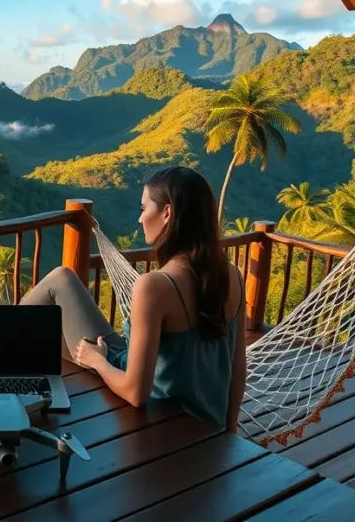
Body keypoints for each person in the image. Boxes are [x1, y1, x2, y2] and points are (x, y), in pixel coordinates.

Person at [20, 166, 246, 433]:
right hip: (208, 425)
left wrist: (98, 361)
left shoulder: (155, 286)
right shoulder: (232, 275)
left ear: (167, 213)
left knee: (59, 282)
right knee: (59, 297)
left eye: (143, 208)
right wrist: (229, 435)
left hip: (158, 419)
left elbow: (136, 393)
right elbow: (238, 370)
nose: (140, 219)